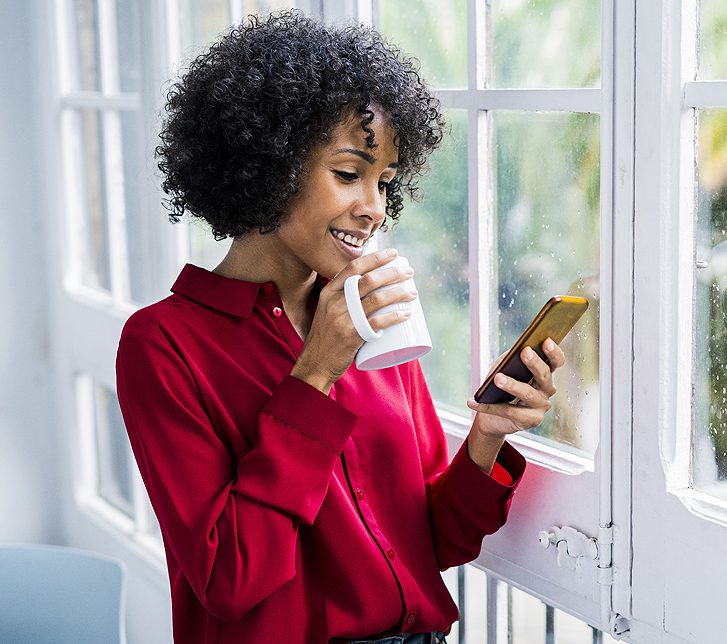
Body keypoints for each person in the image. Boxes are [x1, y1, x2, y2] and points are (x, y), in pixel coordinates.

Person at [115, 11, 566, 644]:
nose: (374, 208)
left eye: (385, 182)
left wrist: (486, 438)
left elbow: (433, 542)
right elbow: (230, 578)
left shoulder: (371, 317)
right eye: (349, 174)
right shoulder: (163, 346)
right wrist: (317, 372)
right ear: (267, 166)